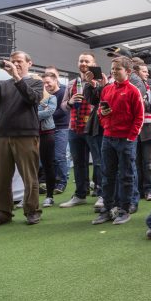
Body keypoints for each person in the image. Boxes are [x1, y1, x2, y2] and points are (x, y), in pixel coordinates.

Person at [0, 51, 44, 226]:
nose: (15, 64)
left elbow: (32, 98)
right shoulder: (0, 84)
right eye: (12, 62)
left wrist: (16, 77)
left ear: (29, 63)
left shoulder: (36, 82)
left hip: (26, 135)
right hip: (0, 136)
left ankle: (32, 210)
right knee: (2, 177)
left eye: (19, 61)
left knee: (29, 176)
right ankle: (3, 212)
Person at [91, 56, 144, 225]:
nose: (113, 71)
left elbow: (139, 117)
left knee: (126, 175)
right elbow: (101, 111)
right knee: (107, 175)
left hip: (126, 140)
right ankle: (108, 209)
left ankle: (124, 209)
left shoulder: (133, 90)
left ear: (127, 71)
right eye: (112, 68)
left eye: (117, 69)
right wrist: (103, 116)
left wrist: (130, 137)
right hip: (108, 137)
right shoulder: (107, 89)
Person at [59, 52, 103, 208]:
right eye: (81, 61)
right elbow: (63, 105)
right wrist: (69, 102)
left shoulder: (100, 81)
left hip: (94, 128)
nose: (83, 63)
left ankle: (102, 194)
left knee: (99, 162)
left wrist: (95, 86)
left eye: (87, 61)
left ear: (94, 64)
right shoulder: (72, 83)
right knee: (78, 162)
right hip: (74, 127)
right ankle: (80, 194)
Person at [132, 61, 151, 201]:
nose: (147, 74)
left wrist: (142, 103)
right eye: (144, 71)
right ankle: (138, 189)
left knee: (149, 163)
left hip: (149, 129)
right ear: (136, 72)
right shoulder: (130, 88)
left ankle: (150, 189)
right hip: (134, 129)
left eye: (147, 72)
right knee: (136, 162)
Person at [42, 71, 70, 195]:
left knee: (59, 157)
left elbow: (62, 111)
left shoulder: (62, 92)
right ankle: (53, 182)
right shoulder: (45, 95)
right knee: (50, 159)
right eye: (44, 83)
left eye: (48, 82)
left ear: (55, 81)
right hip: (48, 130)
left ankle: (62, 182)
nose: (46, 85)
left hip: (61, 128)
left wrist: (47, 114)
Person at [35, 75, 58, 208]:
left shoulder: (51, 97)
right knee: (31, 167)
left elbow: (49, 112)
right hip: (30, 134)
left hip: (46, 135)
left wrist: (31, 114)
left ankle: (49, 196)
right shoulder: (29, 97)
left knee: (48, 164)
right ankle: (28, 196)